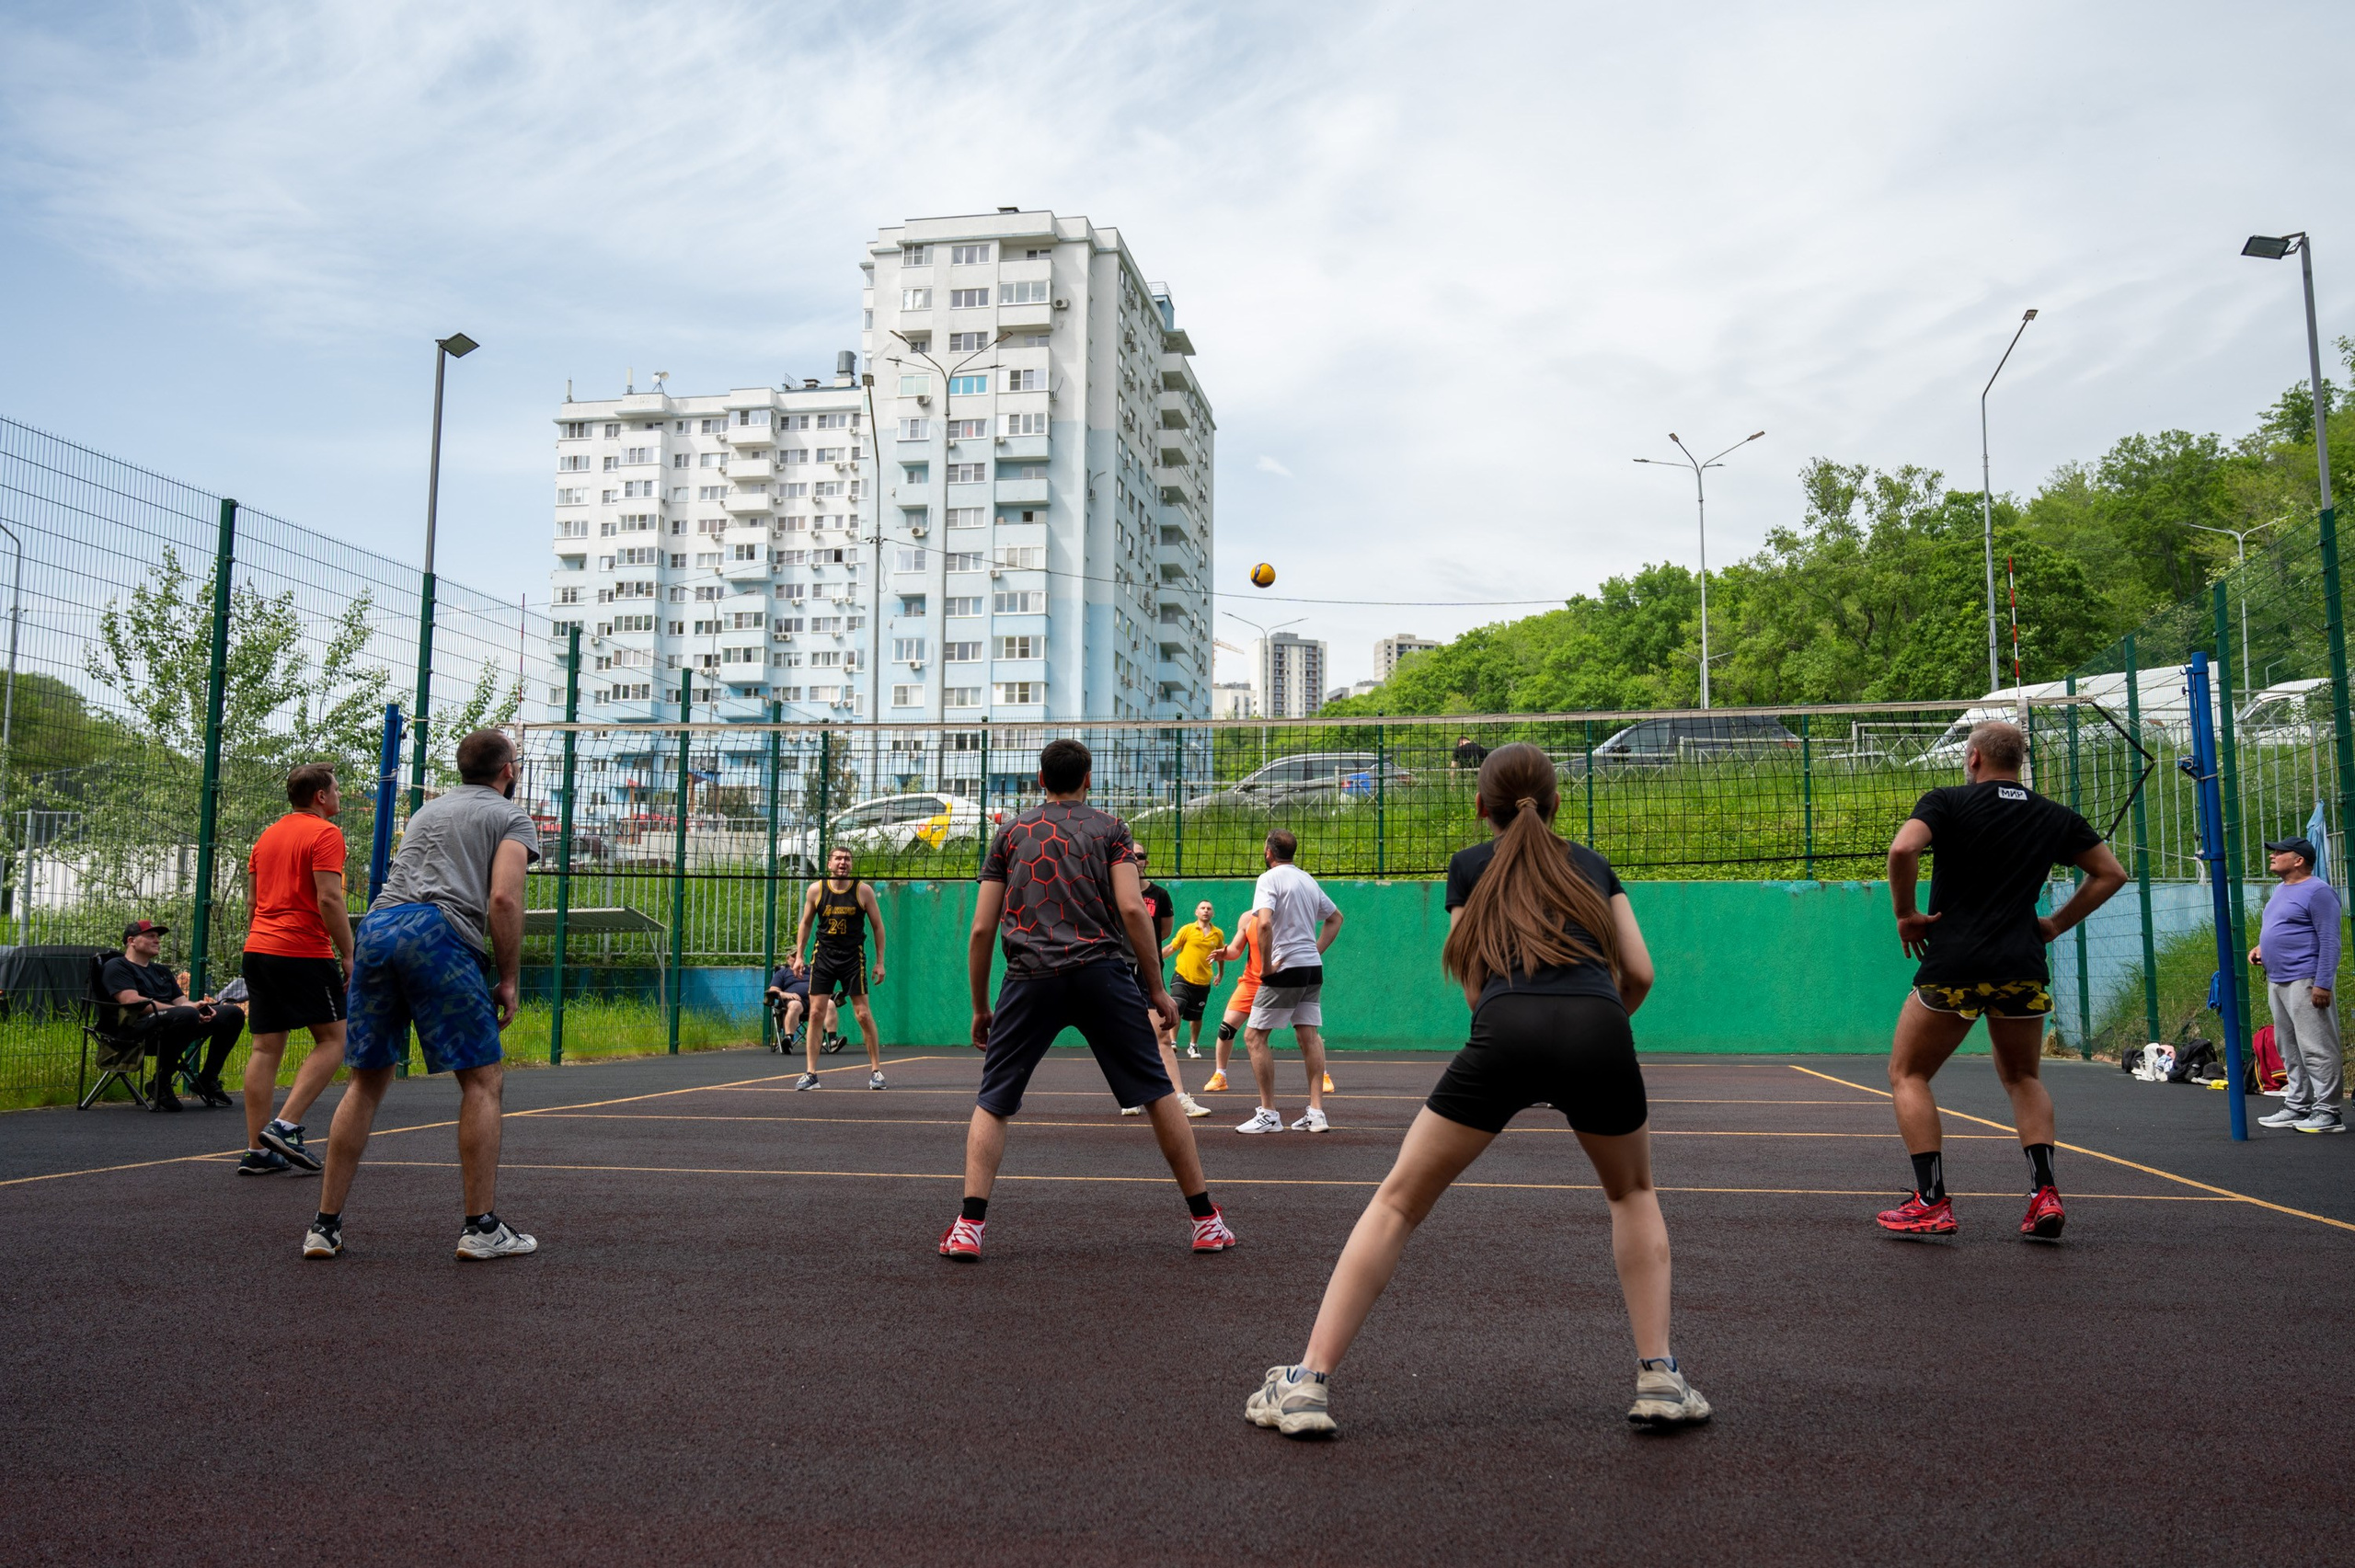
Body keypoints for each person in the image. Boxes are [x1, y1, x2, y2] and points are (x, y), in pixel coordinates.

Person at [1243, 742, 1706, 1438]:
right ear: (1556, 803)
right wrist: (1590, 1036)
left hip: (1505, 1027)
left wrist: (1520, 1041)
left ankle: (1306, 1386)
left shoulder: (1467, 867)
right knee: (1632, 1193)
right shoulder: (1591, 864)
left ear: (1479, 807)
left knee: (1398, 1201)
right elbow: (1638, 973)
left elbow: (1473, 983)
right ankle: (1661, 1377)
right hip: (1599, 1028)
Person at [943, 738, 1235, 1261]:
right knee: (1157, 1092)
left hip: (1030, 976)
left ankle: (969, 1226)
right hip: (1102, 972)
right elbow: (1131, 907)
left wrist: (980, 1006)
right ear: (1089, 778)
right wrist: (1155, 988)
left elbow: (982, 929)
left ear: (1039, 781)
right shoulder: (1111, 828)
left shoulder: (1009, 833)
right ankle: (1205, 1221)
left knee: (994, 1100)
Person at [1878, 720, 2127, 1240]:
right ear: (2019, 763)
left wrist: (1906, 913)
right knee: (2023, 1078)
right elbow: (2111, 873)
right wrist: (2055, 924)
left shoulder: (1946, 802)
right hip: (2021, 966)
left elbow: (1904, 850)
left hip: (1956, 966)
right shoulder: (2053, 815)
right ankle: (2044, 1194)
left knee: (1909, 1074)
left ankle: (1931, 1201)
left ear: (1973, 758)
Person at [306, 729, 541, 1262]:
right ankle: (481, 1229)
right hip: (438, 935)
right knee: (483, 1080)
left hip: (379, 928)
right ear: (509, 770)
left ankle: (324, 1227)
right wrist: (508, 978)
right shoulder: (510, 817)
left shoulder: (425, 812)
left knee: (365, 1081)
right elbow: (503, 897)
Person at [236, 764, 356, 1175]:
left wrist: (264, 940)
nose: (339, 795)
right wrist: (349, 952)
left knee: (265, 1048)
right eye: (336, 789)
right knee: (334, 1040)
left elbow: (252, 905)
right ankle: (284, 1127)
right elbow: (329, 899)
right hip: (302, 950)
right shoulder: (325, 834)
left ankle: (257, 1150)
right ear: (320, 796)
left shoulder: (267, 836)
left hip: (259, 948)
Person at [1233, 830, 1343, 1134]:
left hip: (1286, 969)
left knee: (1254, 1038)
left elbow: (1264, 923)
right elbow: (1336, 918)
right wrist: (1314, 951)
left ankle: (1268, 1114)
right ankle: (1316, 1113)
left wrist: (1266, 967)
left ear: (1269, 852)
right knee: (1309, 1036)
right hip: (1311, 968)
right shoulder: (1307, 879)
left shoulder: (1269, 879)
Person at [2250, 836, 2344, 1134]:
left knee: (2316, 1047)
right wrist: (2262, 949)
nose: (2273, 856)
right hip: (2277, 980)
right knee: (2288, 1047)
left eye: (2280, 852)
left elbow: (2330, 940)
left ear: (2299, 859)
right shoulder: (2281, 890)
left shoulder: (2318, 892)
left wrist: (2323, 984)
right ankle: (2298, 1104)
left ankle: (2329, 1112)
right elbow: (2285, 927)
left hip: (2306, 981)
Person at [105, 920, 247, 1113]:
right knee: (187, 1014)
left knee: (232, 1013)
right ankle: (161, 1083)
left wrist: (200, 1008)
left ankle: (207, 1079)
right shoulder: (117, 966)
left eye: (158, 937)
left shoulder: (161, 971)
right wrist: (185, 1011)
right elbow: (131, 1001)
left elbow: (182, 1002)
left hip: (174, 1025)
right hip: (133, 1029)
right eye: (151, 936)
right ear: (131, 941)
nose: (157, 941)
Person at [1121, 847, 1211, 1119]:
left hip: (1149, 969)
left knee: (1161, 1034)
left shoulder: (1159, 895)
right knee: (1125, 1033)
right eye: (1129, 855)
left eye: (1139, 856)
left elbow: (1164, 932)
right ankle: (1132, 1095)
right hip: (1118, 970)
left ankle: (1180, 1097)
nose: (1135, 859)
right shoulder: (1111, 891)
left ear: (1145, 862)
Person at [792, 846, 889, 1090]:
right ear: (829, 864)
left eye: (847, 859)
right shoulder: (817, 889)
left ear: (851, 864)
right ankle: (811, 1074)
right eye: (838, 858)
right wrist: (799, 956)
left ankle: (876, 1071)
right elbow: (805, 924)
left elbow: (878, 926)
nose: (843, 862)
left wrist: (879, 962)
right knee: (815, 1013)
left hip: (852, 958)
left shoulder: (862, 891)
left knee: (863, 1015)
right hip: (823, 957)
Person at [1200, 904, 1264, 1095]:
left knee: (1305, 1029)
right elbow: (1235, 950)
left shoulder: (1288, 916)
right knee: (1226, 1029)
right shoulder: (1247, 918)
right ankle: (1220, 1076)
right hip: (1251, 981)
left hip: (1281, 981)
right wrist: (1224, 954)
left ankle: (1322, 1076)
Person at [1163, 900, 1227, 1059]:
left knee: (1196, 1017)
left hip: (1202, 982)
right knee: (1177, 1006)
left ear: (1212, 914)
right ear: (1196, 912)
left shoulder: (1218, 934)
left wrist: (1220, 973)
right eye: (1202, 908)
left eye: (1209, 909)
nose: (1205, 911)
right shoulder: (1188, 930)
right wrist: (1153, 959)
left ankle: (1193, 1045)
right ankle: (1172, 1042)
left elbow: (1220, 955)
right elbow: (1172, 947)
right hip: (1182, 976)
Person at [766, 959, 810, 1059]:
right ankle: (788, 1039)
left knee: (829, 1004)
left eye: (798, 955)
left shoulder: (811, 971)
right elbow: (773, 990)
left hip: (814, 1000)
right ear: (788, 959)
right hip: (794, 1001)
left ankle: (833, 1040)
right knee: (795, 1005)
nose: (796, 958)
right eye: (793, 956)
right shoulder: (782, 973)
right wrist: (788, 995)